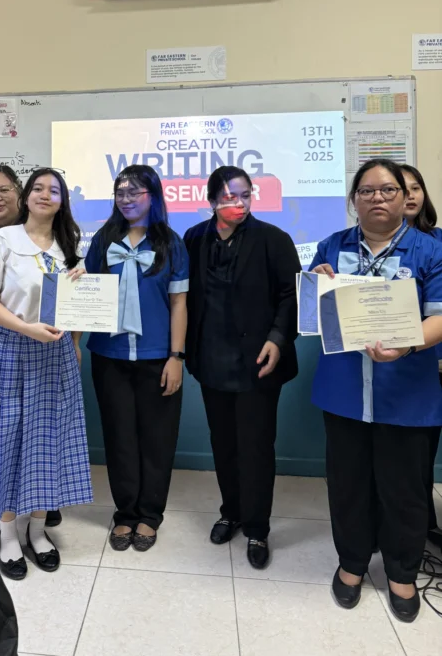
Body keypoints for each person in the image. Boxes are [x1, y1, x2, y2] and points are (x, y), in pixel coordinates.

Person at [311, 159, 442, 623]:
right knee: (348, 485)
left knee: (403, 489)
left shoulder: (429, 250)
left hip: (406, 393)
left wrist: (405, 346)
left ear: (405, 198)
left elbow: (439, 317)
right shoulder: (332, 246)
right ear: (354, 200)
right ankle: (351, 564)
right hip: (344, 391)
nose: (378, 198)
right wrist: (316, 287)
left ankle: (402, 573)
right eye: (366, 191)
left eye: (388, 190)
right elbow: (313, 315)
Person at [0, 168, 92, 581]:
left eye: (54, 190)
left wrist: (75, 336)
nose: (44, 195)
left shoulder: (69, 247)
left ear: (62, 201)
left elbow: (75, 305)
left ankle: (37, 531)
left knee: (49, 441)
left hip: (56, 355)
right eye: (37, 188)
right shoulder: (1, 240)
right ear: (26, 196)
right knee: (8, 440)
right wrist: (26, 328)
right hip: (11, 351)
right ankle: (7, 534)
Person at [183, 166, 300, 570]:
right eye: (229, 196)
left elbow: (290, 295)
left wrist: (277, 339)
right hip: (211, 359)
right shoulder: (194, 238)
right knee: (224, 444)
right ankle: (230, 512)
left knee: (256, 448)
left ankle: (257, 527)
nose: (238, 202)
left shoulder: (273, 239)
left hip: (259, 362)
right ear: (212, 199)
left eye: (245, 195)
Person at [85, 165, 188, 553]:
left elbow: (179, 304)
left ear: (154, 196)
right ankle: (125, 513)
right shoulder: (103, 240)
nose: (126, 199)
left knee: (157, 439)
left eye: (135, 192)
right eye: (120, 192)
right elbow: (87, 291)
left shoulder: (171, 243)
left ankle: (150, 514)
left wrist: (176, 356)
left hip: (157, 357)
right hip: (108, 356)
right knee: (119, 437)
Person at [401, 163, 442, 549]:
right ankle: (415, 526)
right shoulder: (366, 246)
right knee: (410, 455)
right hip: (401, 367)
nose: (410, 194)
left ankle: (423, 525)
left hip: (437, 362)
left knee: (424, 453)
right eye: (402, 187)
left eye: (416, 187)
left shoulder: (438, 244)